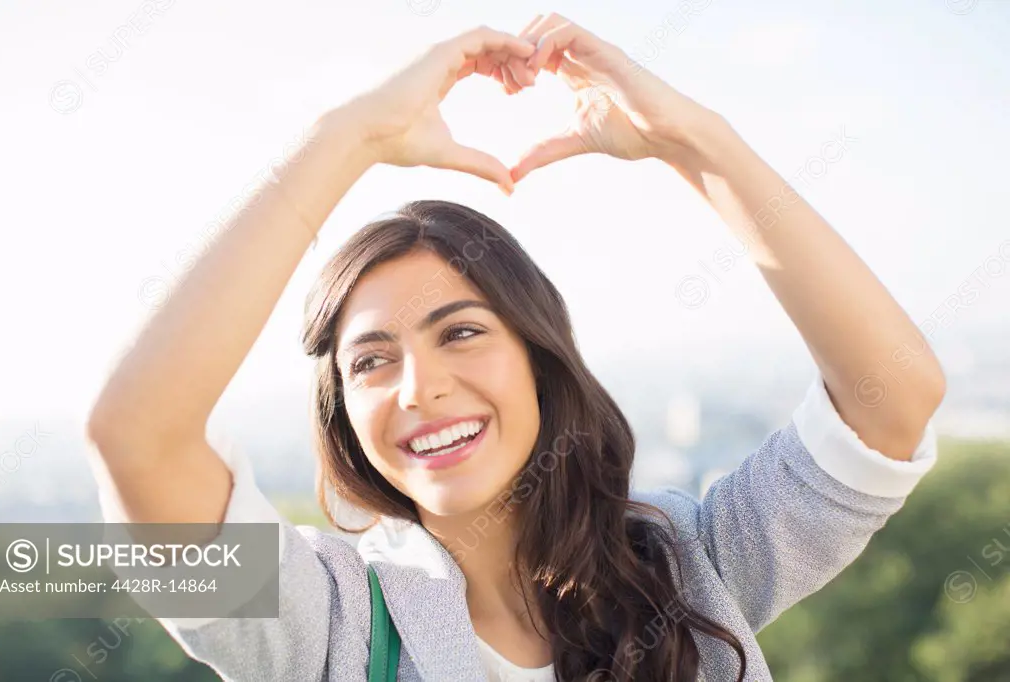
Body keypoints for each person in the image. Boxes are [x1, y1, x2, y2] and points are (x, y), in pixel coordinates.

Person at [85, 13, 946, 682]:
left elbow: (893, 397)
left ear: (539, 358)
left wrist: (696, 142)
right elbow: (137, 432)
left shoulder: (688, 569)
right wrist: (349, 138)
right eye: (371, 361)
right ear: (342, 411)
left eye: (460, 331)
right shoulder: (328, 623)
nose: (418, 387)